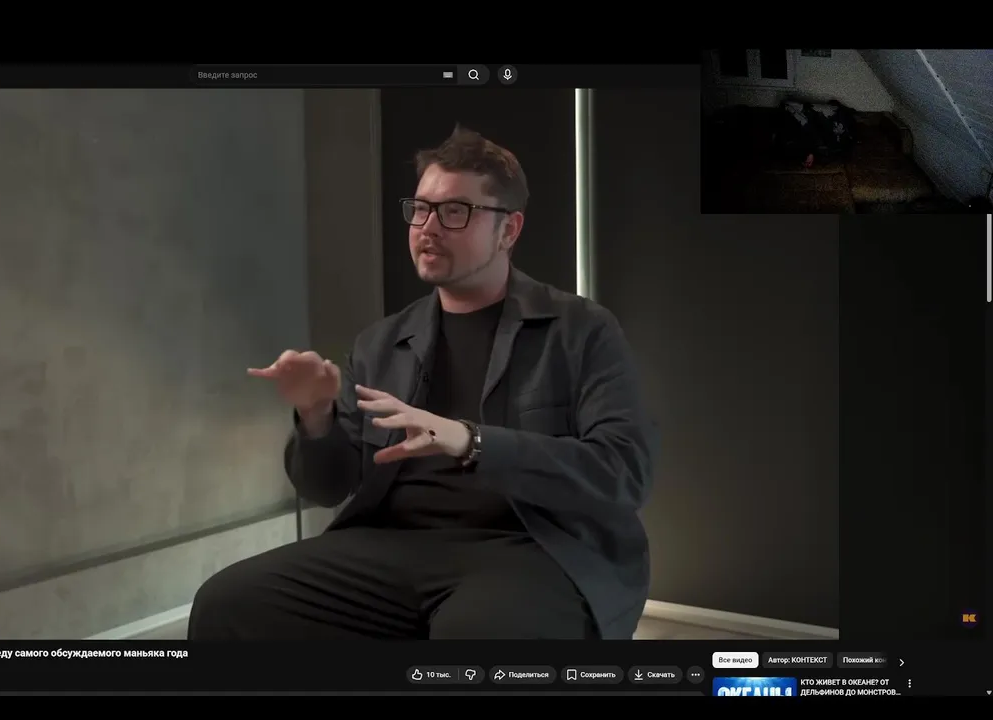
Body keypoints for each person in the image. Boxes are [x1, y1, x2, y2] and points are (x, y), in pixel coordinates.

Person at [188, 126, 658, 640]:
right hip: (393, 543)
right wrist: (316, 416)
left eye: (455, 211)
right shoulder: (381, 342)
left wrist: (471, 440)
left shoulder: (580, 330)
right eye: (420, 209)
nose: (428, 228)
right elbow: (327, 488)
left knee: (477, 636)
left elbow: (624, 472)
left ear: (508, 230)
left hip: (535, 547)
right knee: (225, 603)